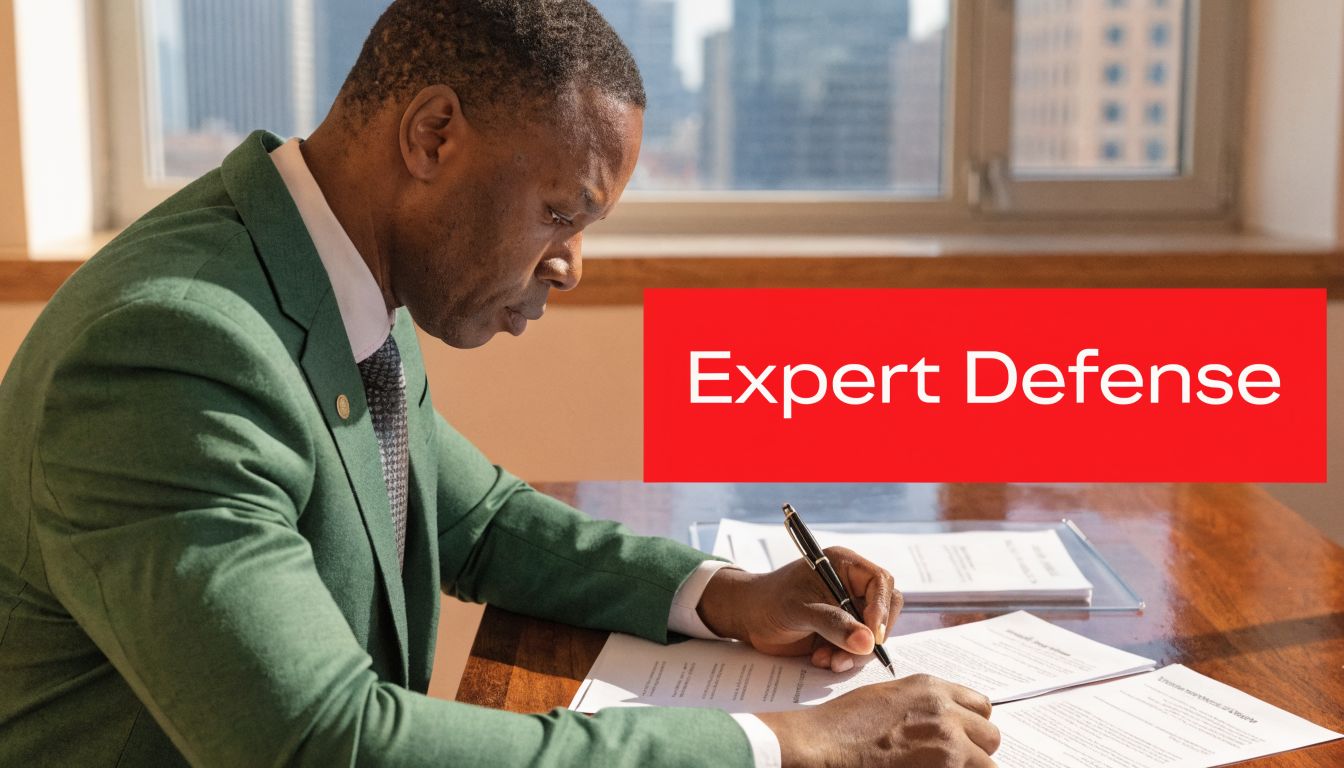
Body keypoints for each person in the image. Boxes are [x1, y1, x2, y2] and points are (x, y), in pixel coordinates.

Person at [0, 1, 1000, 766]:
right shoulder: (173, 352)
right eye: (560, 214)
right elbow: (322, 744)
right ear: (433, 136)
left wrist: (729, 597)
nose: (569, 267)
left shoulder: (319, 271)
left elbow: (475, 519)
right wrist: (786, 742)